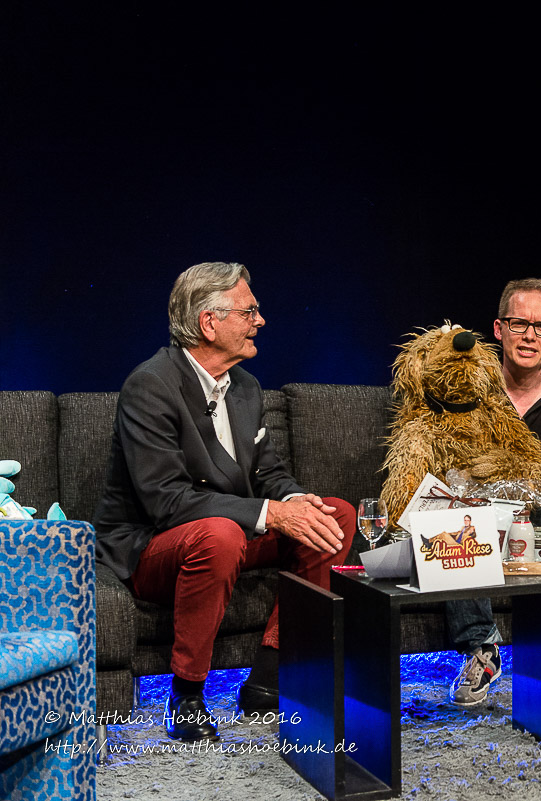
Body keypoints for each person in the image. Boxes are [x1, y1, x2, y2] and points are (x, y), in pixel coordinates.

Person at [94, 262, 354, 741]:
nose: (261, 320)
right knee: (221, 532)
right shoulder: (149, 385)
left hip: (229, 534)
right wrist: (271, 513)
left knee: (334, 515)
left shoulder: (247, 388)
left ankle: (269, 679)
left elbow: (268, 473)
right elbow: (165, 500)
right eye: (249, 310)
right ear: (209, 323)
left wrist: (295, 499)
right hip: (151, 547)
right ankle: (187, 695)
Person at [445, 277, 541, 707]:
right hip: (478, 509)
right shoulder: (470, 386)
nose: (530, 335)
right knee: (453, 520)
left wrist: (518, 490)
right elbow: (452, 463)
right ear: (498, 330)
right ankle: (482, 648)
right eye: (519, 324)